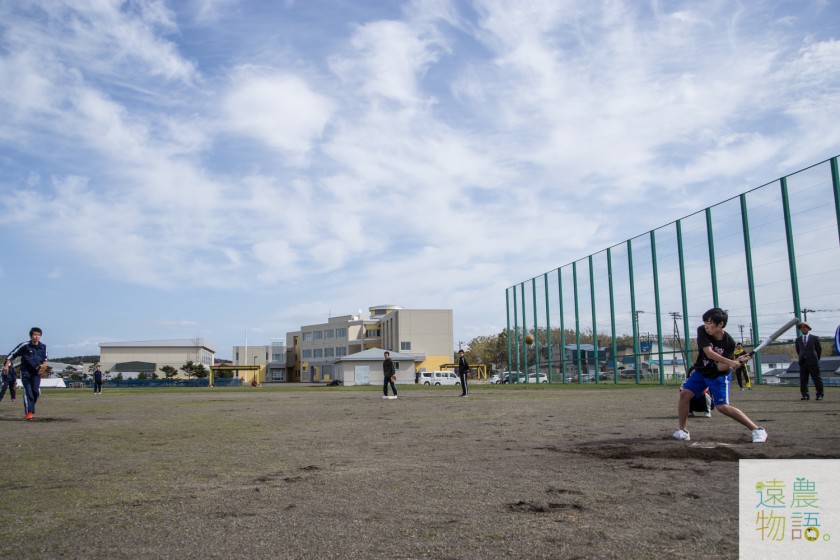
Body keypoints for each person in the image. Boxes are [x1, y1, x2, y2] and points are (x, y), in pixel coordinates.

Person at [673, 308, 767, 443]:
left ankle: (757, 430)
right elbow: (709, 352)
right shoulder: (702, 331)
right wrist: (733, 361)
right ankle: (683, 431)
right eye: (705, 322)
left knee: (722, 407)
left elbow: (720, 367)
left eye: (709, 322)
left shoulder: (729, 343)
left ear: (720, 324)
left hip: (719, 376)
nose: (706, 325)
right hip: (701, 371)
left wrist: (737, 363)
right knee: (684, 394)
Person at [4, 327, 48, 421]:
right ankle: (29, 412)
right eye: (35, 335)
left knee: (35, 391)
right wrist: (6, 366)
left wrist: (44, 366)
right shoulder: (25, 345)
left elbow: (45, 359)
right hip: (25, 372)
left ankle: (30, 407)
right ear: (31, 335)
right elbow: (12, 355)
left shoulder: (43, 347)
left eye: (39, 335)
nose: (37, 337)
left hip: (36, 373)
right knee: (28, 392)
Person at [795, 322, 823, 401]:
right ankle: (805, 395)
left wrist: (815, 359)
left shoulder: (814, 338)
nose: (803, 329)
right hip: (803, 362)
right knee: (803, 379)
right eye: (801, 328)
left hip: (813, 362)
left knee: (816, 379)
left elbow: (819, 350)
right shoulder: (798, 340)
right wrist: (802, 357)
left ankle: (819, 395)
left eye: (804, 328)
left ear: (808, 329)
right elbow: (798, 350)